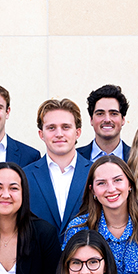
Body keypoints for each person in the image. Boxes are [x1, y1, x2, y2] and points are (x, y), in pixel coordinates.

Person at [23, 98, 90, 232]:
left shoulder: (96, 173)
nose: (59, 134)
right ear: (41, 134)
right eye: (51, 128)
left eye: (66, 127)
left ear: (77, 133)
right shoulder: (25, 176)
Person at [79, 84, 131, 162]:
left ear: (123, 119)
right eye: (100, 114)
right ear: (91, 120)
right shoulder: (76, 157)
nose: (107, 120)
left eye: (113, 113)